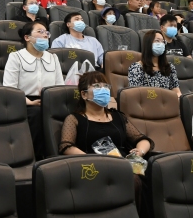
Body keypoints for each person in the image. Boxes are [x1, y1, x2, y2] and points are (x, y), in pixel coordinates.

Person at [59, 71, 153, 209]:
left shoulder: (118, 117)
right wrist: (91, 159)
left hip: (124, 163)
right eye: (97, 86)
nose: (103, 90)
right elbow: (66, 146)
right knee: (132, 180)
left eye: (106, 86)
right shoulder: (74, 119)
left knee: (155, 174)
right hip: (94, 166)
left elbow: (142, 139)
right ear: (84, 94)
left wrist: (140, 151)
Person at [3, 21, 64, 158]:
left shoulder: (53, 57)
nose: (45, 35)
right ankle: (39, 157)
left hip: (49, 101)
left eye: (46, 32)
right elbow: (9, 88)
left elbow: (60, 85)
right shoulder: (16, 57)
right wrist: (29, 102)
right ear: (27, 37)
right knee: (36, 114)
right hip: (24, 101)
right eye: (40, 32)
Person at [127, 30, 181, 97]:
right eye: (157, 41)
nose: (161, 44)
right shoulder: (136, 68)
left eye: (163, 42)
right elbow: (135, 95)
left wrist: (178, 98)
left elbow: (177, 92)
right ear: (148, 44)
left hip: (167, 102)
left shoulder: (169, 67)